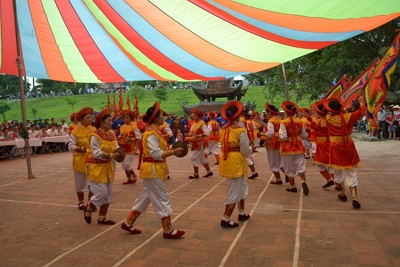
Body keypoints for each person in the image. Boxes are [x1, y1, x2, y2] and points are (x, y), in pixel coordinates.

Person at [121, 102, 185, 239]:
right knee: (163, 198)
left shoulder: (155, 132)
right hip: (152, 170)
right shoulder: (151, 133)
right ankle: (168, 230)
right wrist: (173, 151)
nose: (164, 117)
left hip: (154, 170)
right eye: (162, 115)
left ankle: (128, 222)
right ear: (156, 118)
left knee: (146, 197)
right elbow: (155, 153)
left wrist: (171, 151)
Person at [84, 108, 122, 225]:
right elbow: (96, 153)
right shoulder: (95, 135)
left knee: (109, 195)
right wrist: (111, 155)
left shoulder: (111, 134)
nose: (112, 122)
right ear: (101, 122)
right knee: (101, 193)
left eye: (112, 120)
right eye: (109, 120)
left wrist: (119, 153)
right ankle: (89, 207)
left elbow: (116, 147)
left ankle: (102, 217)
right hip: (96, 168)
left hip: (109, 167)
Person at [324, 98, 363, 209]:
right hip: (348, 146)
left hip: (335, 147)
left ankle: (343, 193)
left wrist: (345, 109)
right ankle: (354, 197)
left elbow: (335, 114)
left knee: (338, 170)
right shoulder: (348, 117)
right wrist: (360, 103)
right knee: (351, 170)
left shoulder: (328, 118)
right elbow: (360, 112)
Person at [219, 100, 252, 228]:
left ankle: (242, 212)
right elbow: (245, 149)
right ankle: (225, 218)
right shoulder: (240, 130)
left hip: (227, 159)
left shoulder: (224, 129)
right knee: (234, 189)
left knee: (241, 186)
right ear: (238, 116)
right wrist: (250, 151)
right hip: (237, 160)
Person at [279, 101, 310, 195]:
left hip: (287, 147)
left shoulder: (283, 122)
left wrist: (277, 136)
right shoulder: (299, 121)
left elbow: (283, 136)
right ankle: (303, 181)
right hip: (298, 145)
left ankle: (293, 186)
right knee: (299, 165)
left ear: (286, 112)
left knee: (289, 167)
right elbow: (304, 135)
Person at [68, 107, 96, 210]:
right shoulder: (75, 131)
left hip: (93, 160)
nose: (90, 119)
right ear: (82, 119)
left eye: (90, 117)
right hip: (80, 161)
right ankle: (80, 201)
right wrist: (80, 149)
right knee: (80, 182)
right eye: (88, 117)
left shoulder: (94, 130)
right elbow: (71, 146)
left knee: (92, 182)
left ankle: (90, 202)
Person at [307, 100, 336, 189]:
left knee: (320, 164)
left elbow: (313, 126)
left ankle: (329, 179)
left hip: (322, 145)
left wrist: (309, 118)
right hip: (330, 143)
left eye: (316, 112)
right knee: (331, 164)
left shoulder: (320, 122)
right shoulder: (330, 120)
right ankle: (337, 183)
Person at [258, 103, 287, 184]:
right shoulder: (279, 119)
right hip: (280, 141)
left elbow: (270, 133)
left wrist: (262, 134)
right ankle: (288, 175)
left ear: (270, 113)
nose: (266, 115)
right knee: (281, 161)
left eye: (266, 113)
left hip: (272, 143)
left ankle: (278, 179)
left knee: (273, 162)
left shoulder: (271, 121)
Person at [185, 108, 213, 179]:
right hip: (196, 142)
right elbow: (192, 133)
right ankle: (209, 172)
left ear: (198, 116)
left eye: (194, 115)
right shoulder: (194, 123)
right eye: (192, 115)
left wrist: (200, 135)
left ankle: (196, 174)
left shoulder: (201, 123)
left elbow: (207, 132)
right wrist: (188, 134)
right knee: (202, 158)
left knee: (194, 157)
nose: (192, 116)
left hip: (200, 142)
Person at [118, 110, 141, 185]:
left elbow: (139, 137)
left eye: (127, 117)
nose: (126, 119)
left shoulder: (134, 126)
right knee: (124, 165)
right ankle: (129, 179)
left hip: (131, 147)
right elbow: (121, 136)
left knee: (127, 164)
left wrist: (132, 139)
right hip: (123, 147)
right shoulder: (122, 127)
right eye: (124, 118)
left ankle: (134, 175)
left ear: (131, 118)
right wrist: (119, 138)